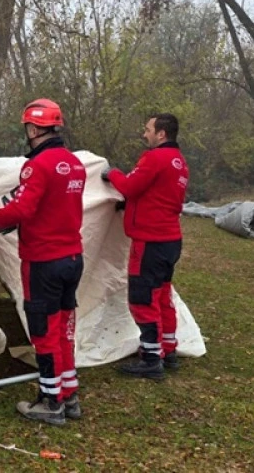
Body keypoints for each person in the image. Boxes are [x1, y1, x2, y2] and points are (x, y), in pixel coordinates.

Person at [0, 99, 87, 426]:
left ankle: (50, 402)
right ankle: (69, 395)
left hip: (43, 260)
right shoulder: (74, 163)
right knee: (64, 329)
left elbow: (23, 208)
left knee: (44, 331)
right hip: (72, 257)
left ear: (32, 129)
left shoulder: (37, 166)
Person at [104, 113, 190, 379]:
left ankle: (151, 358)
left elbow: (130, 186)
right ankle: (168, 349)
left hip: (150, 241)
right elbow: (155, 195)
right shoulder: (179, 162)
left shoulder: (155, 158)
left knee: (143, 298)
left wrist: (111, 174)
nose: (145, 134)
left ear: (161, 133)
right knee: (162, 296)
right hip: (170, 239)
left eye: (148, 129)